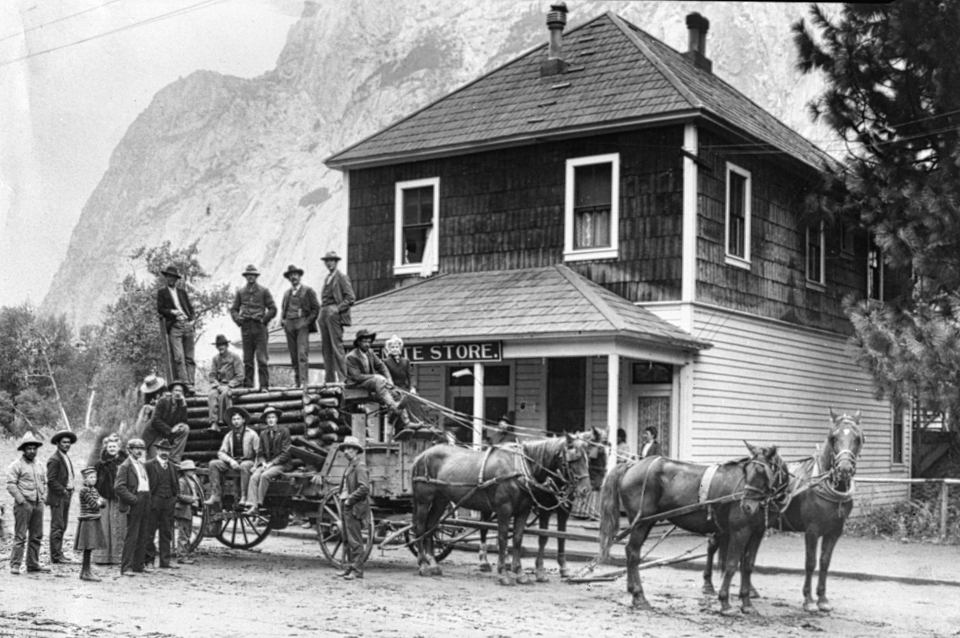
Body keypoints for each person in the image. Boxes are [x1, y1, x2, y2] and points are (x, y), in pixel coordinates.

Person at [6, 432, 51, 575]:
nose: (32, 451)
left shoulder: (39, 465)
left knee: (37, 535)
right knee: (20, 536)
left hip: (38, 505)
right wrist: (22, 501)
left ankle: (33, 564)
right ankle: (15, 565)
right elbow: (11, 484)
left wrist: (43, 498)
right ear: (23, 449)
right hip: (23, 505)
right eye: (29, 448)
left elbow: (44, 482)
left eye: (34, 448)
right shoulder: (16, 465)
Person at [345, 329, 410, 427]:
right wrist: (375, 376)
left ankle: (406, 422)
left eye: (369, 342)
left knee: (396, 393)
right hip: (356, 384)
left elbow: (381, 366)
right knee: (378, 380)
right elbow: (357, 377)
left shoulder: (370, 352)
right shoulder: (351, 357)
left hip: (370, 382)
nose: (367, 344)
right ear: (358, 342)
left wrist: (390, 381)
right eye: (364, 342)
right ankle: (394, 407)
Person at [230, 264, 277, 390]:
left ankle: (264, 386)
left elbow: (273, 309)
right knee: (248, 360)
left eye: (252, 275)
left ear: (256, 276)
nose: (250, 277)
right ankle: (249, 387)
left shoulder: (264, 291)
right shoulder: (240, 292)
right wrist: (238, 320)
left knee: (262, 359)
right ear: (245, 277)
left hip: (259, 328)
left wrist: (263, 320)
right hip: (246, 328)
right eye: (248, 275)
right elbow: (234, 309)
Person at [205, 406, 260, 507]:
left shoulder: (252, 434)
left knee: (244, 465)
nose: (236, 422)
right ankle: (216, 494)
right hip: (234, 462)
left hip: (248, 462)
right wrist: (230, 461)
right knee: (213, 464)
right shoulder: (229, 435)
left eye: (238, 419)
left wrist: (256, 466)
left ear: (243, 420)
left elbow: (258, 453)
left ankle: (244, 496)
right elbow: (221, 453)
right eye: (234, 419)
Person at [114, 438, 151, 576]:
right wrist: (134, 500)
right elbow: (119, 487)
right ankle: (126, 567)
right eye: (136, 448)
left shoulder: (141, 464)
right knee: (132, 535)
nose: (139, 451)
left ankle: (138, 566)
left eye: (141, 448)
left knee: (143, 534)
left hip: (146, 500)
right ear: (129, 450)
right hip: (135, 502)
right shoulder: (125, 466)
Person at [245, 406, 292, 514]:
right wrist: (264, 463)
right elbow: (260, 453)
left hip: (282, 464)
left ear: (276, 419)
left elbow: (286, 453)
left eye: (273, 417)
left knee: (264, 475)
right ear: (266, 420)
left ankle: (258, 505)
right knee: (254, 477)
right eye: (268, 418)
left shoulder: (284, 431)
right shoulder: (263, 434)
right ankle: (252, 504)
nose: (271, 420)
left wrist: (271, 464)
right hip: (267, 464)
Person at [156, 265, 197, 389]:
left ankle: (191, 383)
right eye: (169, 276)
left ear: (176, 279)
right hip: (175, 326)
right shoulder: (162, 293)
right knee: (179, 357)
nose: (171, 279)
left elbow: (190, 308)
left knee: (189, 357)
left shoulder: (182, 292)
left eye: (173, 277)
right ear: (166, 277)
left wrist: (193, 321)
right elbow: (160, 309)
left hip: (187, 325)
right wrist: (172, 312)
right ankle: (185, 384)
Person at [280, 264, 320, 388]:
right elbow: (284, 309)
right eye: (291, 275)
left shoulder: (308, 291)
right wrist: (283, 321)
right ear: (289, 278)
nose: (294, 277)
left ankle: (304, 382)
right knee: (293, 355)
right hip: (289, 325)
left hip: (302, 323)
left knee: (302, 353)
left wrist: (306, 322)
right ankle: (297, 383)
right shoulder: (287, 293)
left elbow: (316, 308)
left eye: (296, 275)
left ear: (300, 276)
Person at [336, 436, 370, 580]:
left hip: (354, 507)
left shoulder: (360, 467)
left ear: (356, 450)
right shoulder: (350, 466)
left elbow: (364, 488)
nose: (346, 451)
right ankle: (349, 567)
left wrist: (350, 499)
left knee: (355, 540)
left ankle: (357, 571)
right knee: (346, 538)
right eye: (345, 449)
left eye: (349, 448)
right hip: (346, 505)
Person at [318, 251, 355, 383]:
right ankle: (330, 380)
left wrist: (337, 309)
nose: (329, 263)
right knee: (326, 348)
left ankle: (344, 379)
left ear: (336, 262)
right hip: (323, 313)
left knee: (336, 347)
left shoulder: (342, 277)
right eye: (327, 261)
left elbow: (350, 298)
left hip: (334, 313)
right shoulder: (327, 278)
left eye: (331, 260)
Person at [144, 440, 180, 569]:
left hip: (168, 503)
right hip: (153, 502)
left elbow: (175, 484)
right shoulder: (148, 465)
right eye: (162, 450)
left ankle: (165, 562)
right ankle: (148, 561)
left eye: (167, 450)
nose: (165, 452)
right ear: (157, 451)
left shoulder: (173, 466)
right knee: (149, 532)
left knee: (166, 532)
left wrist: (174, 499)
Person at [93, 433, 128, 565]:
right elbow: (94, 481)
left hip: (119, 498)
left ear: (119, 448)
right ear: (106, 448)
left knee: (118, 526)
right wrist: (97, 496)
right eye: (110, 446)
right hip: (104, 499)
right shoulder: (100, 464)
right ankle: (102, 557)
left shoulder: (125, 463)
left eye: (114, 446)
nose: (112, 448)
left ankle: (118, 557)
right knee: (104, 526)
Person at [46, 429, 78, 564]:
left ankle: (59, 553)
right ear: (58, 443)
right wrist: (63, 491)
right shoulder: (54, 459)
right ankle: (56, 556)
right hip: (58, 497)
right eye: (64, 442)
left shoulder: (65, 457)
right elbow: (51, 480)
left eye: (69, 442)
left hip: (67, 494)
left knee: (63, 525)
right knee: (57, 526)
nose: (67, 445)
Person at [144, 380, 190, 462]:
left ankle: (174, 458)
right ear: (172, 392)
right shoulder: (162, 401)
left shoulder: (181, 404)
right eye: (176, 390)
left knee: (185, 428)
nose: (178, 393)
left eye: (180, 391)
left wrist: (183, 406)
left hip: (167, 434)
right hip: (155, 434)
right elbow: (155, 420)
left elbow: (184, 421)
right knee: (155, 460)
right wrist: (170, 430)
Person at [75, 467, 107, 582]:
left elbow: (104, 504)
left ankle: (86, 571)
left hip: (93, 519)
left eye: (95, 477)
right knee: (87, 546)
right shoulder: (84, 490)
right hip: (87, 520)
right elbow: (94, 505)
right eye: (91, 477)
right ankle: (86, 571)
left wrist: (100, 502)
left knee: (90, 546)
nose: (94, 479)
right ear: (85, 479)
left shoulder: (94, 490)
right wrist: (99, 502)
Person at [207, 334, 244, 431]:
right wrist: (217, 385)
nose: (220, 347)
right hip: (220, 386)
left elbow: (240, 376)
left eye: (222, 345)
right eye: (218, 345)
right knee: (212, 395)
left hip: (234, 387)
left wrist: (229, 386)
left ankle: (226, 421)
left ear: (227, 346)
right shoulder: (215, 359)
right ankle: (214, 423)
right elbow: (212, 375)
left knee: (225, 394)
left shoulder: (235, 357)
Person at [175, 460, 200, 565]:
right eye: (190, 470)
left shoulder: (192, 481)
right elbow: (179, 495)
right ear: (184, 471)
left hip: (188, 510)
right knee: (183, 534)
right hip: (182, 510)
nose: (192, 471)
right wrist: (192, 499)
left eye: (193, 469)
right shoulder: (181, 481)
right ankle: (182, 556)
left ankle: (185, 555)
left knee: (187, 533)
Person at [133, 374, 167, 440]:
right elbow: (147, 403)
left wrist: (156, 405)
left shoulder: (164, 390)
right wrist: (148, 407)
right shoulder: (148, 394)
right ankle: (140, 432)